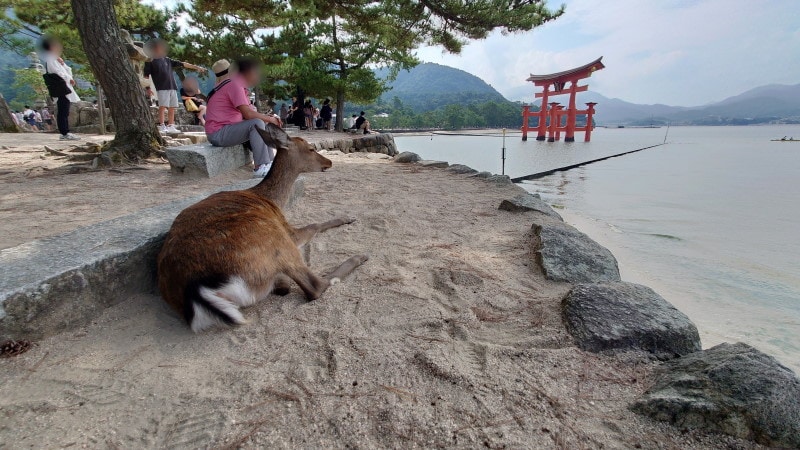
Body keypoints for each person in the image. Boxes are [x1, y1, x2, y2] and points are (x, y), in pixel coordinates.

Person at [204, 58, 282, 178]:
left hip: (222, 131)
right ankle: (260, 167)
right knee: (256, 124)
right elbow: (248, 115)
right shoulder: (233, 84)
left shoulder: (224, 86)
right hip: (219, 133)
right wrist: (270, 119)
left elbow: (250, 111)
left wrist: (267, 118)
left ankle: (269, 163)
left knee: (260, 123)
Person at [143, 39, 206, 134]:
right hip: (161, 87)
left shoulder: (168, 60)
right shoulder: (150, 61)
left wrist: (197, 67)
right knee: (162, 106)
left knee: (172, 107)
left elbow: (183, 64)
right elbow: (146, 76)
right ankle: (162, 125)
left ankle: (171, 125)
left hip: (172, 86)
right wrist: (148, 88)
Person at [40, 37, 81, 140]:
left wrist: (62, 63)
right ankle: (64, 132)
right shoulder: (50, 59)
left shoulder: (55, 59)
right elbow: (58, 72)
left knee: (65, 109)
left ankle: (65, 131)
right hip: (61, 87)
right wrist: (69, 78)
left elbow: (66, 69)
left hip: (64, 87)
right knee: (63, 110)